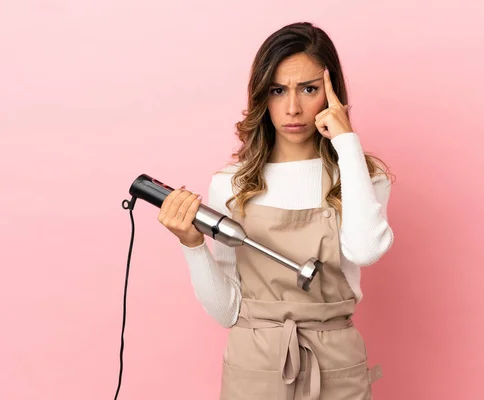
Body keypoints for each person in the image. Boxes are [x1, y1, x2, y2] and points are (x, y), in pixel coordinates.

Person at [158, 21, 394, 400]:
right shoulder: (231, 185)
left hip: (335, 365)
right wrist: (191, 244)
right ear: (261, 97)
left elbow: (365, 250)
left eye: (309, 89)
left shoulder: (361, 175)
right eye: (278, 90)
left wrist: (347, 144)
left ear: (333, 95)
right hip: (255, 366)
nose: (293, 108)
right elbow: (226, 312)